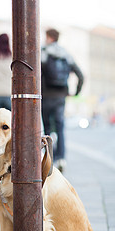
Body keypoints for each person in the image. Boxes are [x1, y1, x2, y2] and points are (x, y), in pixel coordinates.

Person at [41, 28, 84, 172]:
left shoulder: (43, 52)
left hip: (46, 95)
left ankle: (49, 159)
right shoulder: (66, 54)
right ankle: (62, 159)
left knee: (47, 128)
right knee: (60, 128)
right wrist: (75, 92)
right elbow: (81, 75)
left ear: (49, 37)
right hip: (61, 96)